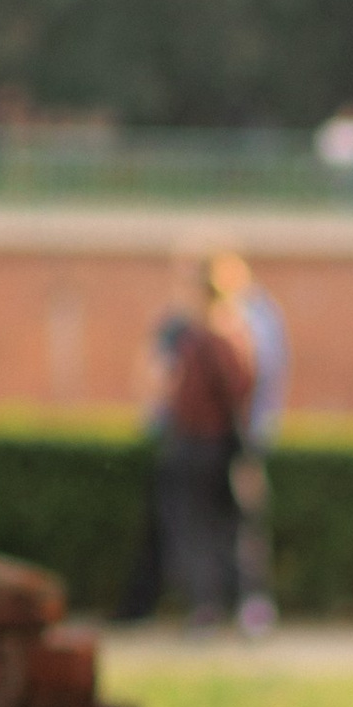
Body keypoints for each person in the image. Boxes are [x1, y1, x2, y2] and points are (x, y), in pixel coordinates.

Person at [148, 259, 258, 628]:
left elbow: (234, 391)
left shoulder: (215, 337)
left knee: (206, 528)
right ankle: (213, 605)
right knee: (206, 527)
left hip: (205, 443)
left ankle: (213, 606)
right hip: (201, 442)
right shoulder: (215, 335)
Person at [208, 247, 289, 636]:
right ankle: (237, 604)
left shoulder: (245, 321)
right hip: (237, 436)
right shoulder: (253, 318)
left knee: (245, 521)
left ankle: (253, 605)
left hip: (243, 438)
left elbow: (256, 381)